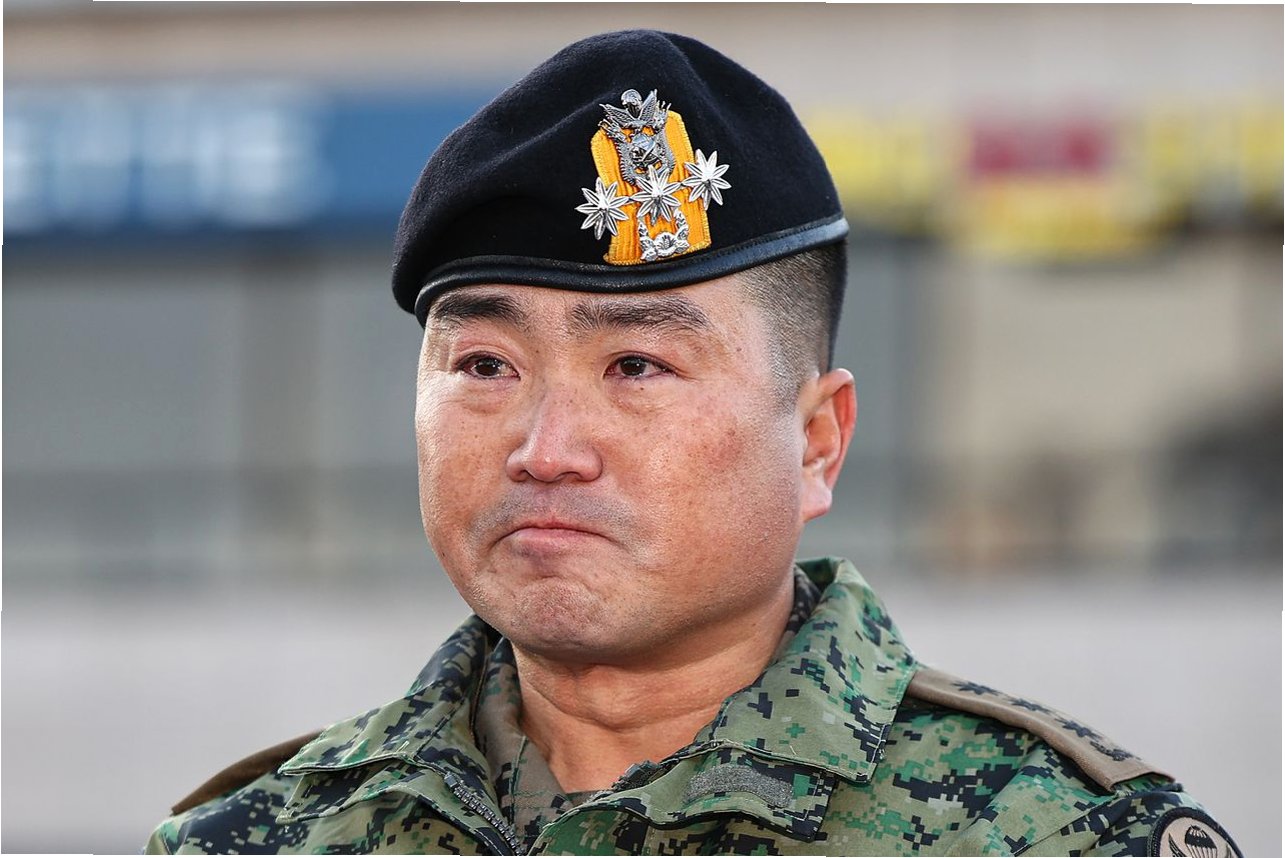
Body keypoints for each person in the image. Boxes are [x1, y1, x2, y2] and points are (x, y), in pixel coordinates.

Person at [146, 30, 1239, 857]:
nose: (546, 450)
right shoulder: (263, 839)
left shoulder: (1053, 835)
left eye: (637, 367)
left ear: (816, 442)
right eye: (484, 366)